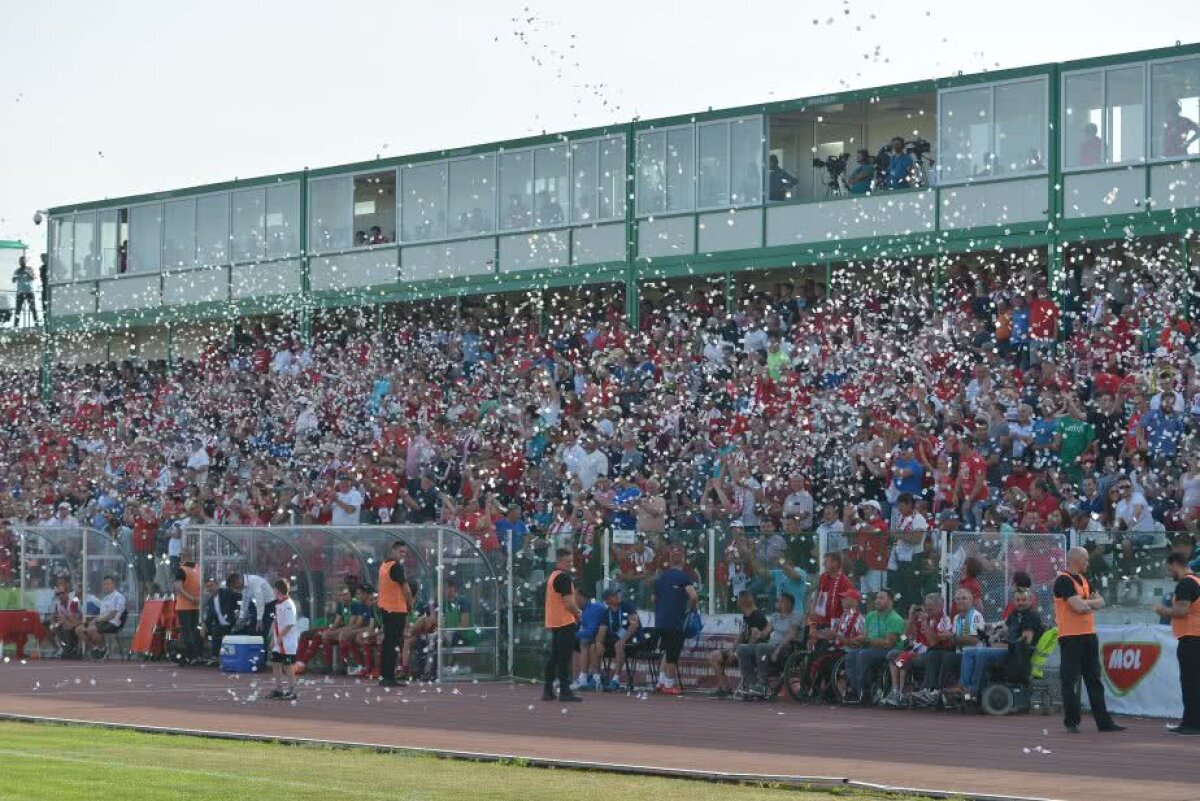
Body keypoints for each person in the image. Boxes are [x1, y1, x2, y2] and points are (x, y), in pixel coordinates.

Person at [1054, 546, 1124, 734]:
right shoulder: (1063, 580)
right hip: (1071, 636)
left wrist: (1088, 604)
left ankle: (1104, 722)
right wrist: (1091, 604)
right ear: (1075, 559)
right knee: (1071, 680)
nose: (1088, 562)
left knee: (1094, 679)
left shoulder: (1084, 580)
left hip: (1088, 635)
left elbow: (1100, 602)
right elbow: (1078, 606)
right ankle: (1072, 721)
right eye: (1085, 559)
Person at [1154, 553, 1200, 735]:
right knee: (1195, 681)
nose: (1169, 572)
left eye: (1169, 568)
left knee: (1190, 682)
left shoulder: (1185, 583)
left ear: (1176, 564)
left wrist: (1162, 610)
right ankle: (1192, 721)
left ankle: (1191, 724)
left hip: (1191, 638)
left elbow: (1181, 610)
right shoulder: (1197, 580)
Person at [735, 591, 803, 698]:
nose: (777, 604)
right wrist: (758, 634)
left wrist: (777, 650)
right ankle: (752, 684)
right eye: (777, 601)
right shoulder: (775, 616)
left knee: (762, 647)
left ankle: (762, 684)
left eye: (780, 602)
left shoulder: (796, 616)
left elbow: (791, 635)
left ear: (788, 603)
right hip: (770, 647)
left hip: (787, 648)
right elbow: (765, 632)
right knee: (742, 649)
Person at [843, 588, 905, 704]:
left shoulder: (895, 619)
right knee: (851, 655)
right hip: (872, 649)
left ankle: (865, 693)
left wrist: (867, 640)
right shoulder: (871, 616)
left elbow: (888, 643)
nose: (877, 601)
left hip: (889, 652)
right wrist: (852, 640)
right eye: (877, 598)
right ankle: (856, 691)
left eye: (881, 598)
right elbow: (864, 636)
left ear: (890, 601)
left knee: (863, 654)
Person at [652, 547, 698, 695]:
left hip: (660, 621)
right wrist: (692, 609)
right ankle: (669, 684)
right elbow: (694, 596)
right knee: (673, 653)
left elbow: (653, 598)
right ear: (683, 560)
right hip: (675, 621)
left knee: (666, 651)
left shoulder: (661, 578)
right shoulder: (683, 577)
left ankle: (661, 681)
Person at [708, 590, 768, 697]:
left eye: (738, 600)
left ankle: (739, 687)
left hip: (751, 654)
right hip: (740, 650)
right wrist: (732, 650)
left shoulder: (757, 616)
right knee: (713, 656)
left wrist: (737, 653)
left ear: (742, 601)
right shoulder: (746, 616)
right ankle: (725, 688)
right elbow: (741, 636)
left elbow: (755, 639)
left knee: (718, 657)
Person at [543, 548, 583, 702]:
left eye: (571, 561)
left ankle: (548, 690)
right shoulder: (564, 578)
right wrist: (578, 613)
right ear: (559, 561)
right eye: (567, 562)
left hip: (554, 621)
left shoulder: (552, 576)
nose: (570, 564)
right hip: (565, 621)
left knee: (554, 657)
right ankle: (565, 691)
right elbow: (569, 603)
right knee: (564, 658)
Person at [377, 540, 414, 686]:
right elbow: (405, 587)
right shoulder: (396, 567)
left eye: (404, 553)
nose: (402, 555)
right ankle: (390, 677)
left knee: (387, 642)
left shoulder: (384, 565)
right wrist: (410, 603)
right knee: (394, 643)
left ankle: (384, 675)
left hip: (385, 607)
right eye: (401, 552)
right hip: (396, 609)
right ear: (394, 551)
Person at [74, 576, 125, 658]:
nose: (106, 586)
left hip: (113, 622)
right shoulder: (105, 598)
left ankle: (103, 649)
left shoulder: (118, 597)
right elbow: (101, 614)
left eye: (108, 584)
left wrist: (98, 620)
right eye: (104, 584)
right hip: (102, 621)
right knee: (79, 630)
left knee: (92, 628)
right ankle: (94, 648)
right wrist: (95, 620)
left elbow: (112, 614)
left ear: (113, 584)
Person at [268, 579, 299, 701]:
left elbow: (290, 624)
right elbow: (277, 622)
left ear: (278, 590)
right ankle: (278, 688)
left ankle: (293, 690)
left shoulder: (288, 605)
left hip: (287, 642)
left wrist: (280, 637)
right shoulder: (278, 604)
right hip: (279, 641)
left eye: (275, 589)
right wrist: (273, 638)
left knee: (288, 666)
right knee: (275, 663)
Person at [173, 558, 202, 665]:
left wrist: (192, 599)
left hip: (185, 606)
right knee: (192, 632)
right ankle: (193, 656)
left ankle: (189, 656)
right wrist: (195, 599)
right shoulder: (197, 570)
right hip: (194, 606)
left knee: (187, 633)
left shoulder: (181, 570)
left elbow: (178, 589)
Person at [12, 256, 37, 327]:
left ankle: (36, 323)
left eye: (23, 261)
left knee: (33, 308)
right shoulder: (17, 271)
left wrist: (27, 273)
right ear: (19, 262)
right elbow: (13, 281)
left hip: (29, 291)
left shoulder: (30, 269)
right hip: (20, 292)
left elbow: (33, 278)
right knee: (18, 309)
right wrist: (15, 277)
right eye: (21, 261)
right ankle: (16, 324)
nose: (22, 262)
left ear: (26, 261)